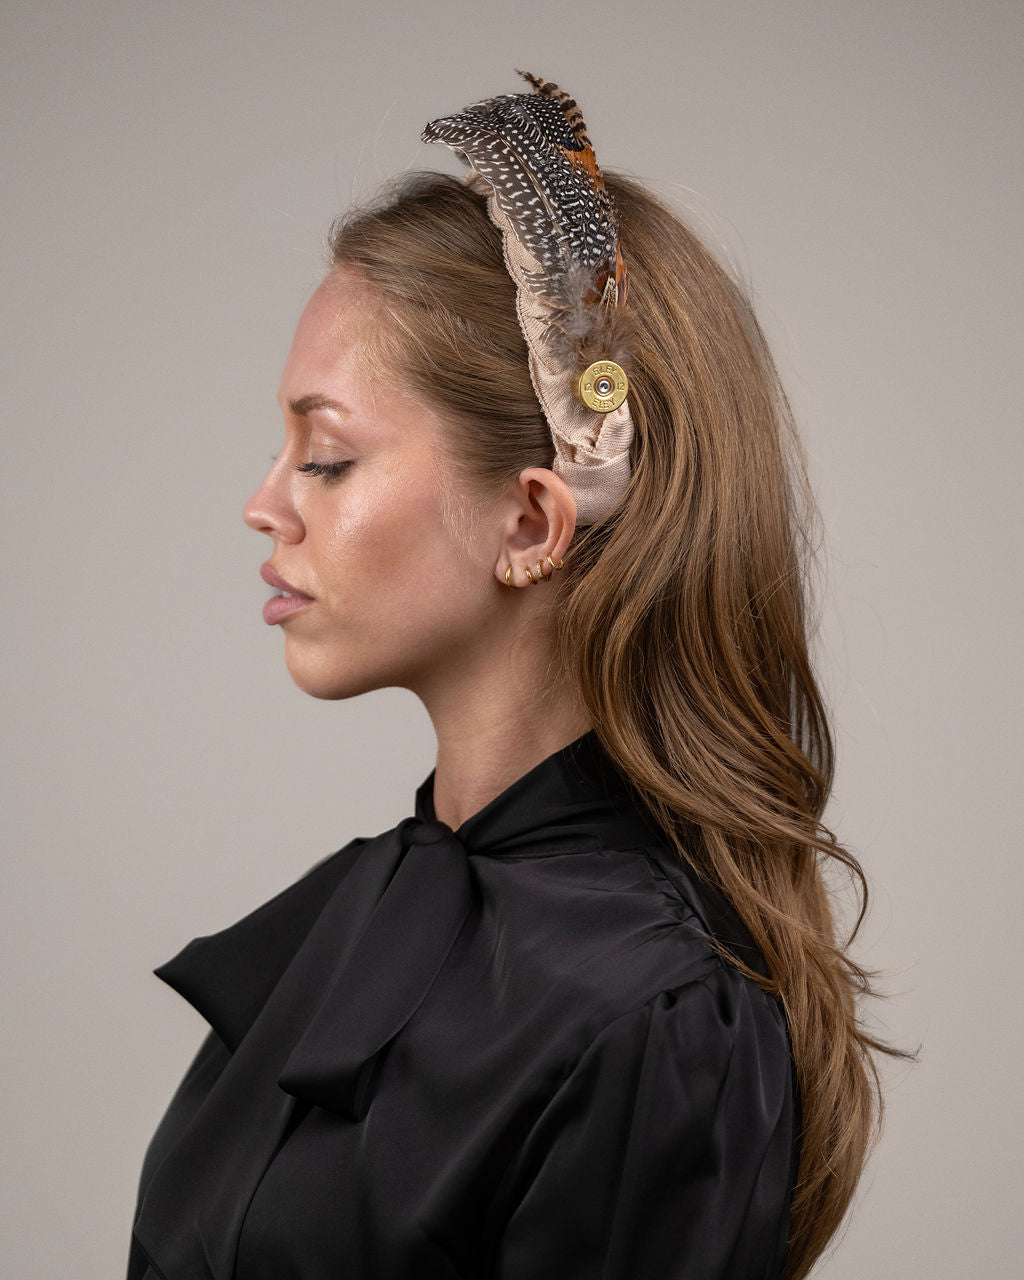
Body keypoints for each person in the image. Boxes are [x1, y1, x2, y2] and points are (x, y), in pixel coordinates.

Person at [126, 73, 892, 1280]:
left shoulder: (655, 1013)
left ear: (532, 520)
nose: (264, 503)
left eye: (325, 455)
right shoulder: (374, 912)